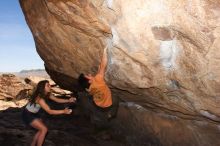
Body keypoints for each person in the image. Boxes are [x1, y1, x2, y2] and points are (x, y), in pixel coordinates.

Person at [22, 80, 76, 146]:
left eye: (49, 85)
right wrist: (63, 111)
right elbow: (49, 111)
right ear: (42, 88)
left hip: (35, 113)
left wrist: (68, 100)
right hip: (28, 114)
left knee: (40, 130)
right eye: (48, 85)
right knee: (44, 129)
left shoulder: (47, 94)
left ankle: (33, 144)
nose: (50, 86)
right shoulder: (40, 98)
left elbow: (57, 100)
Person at [77, 46, 119, 129]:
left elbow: (99, 70)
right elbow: (103, 65)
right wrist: (104, 51)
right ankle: (111, 114)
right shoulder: (98, 79)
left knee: (99, 98)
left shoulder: (88, 88)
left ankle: (105, 115)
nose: (89, 74)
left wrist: (99, 71)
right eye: (88, 76)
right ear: (89, 81)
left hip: (99, 104)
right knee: (116, 100)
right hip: (108, 103)